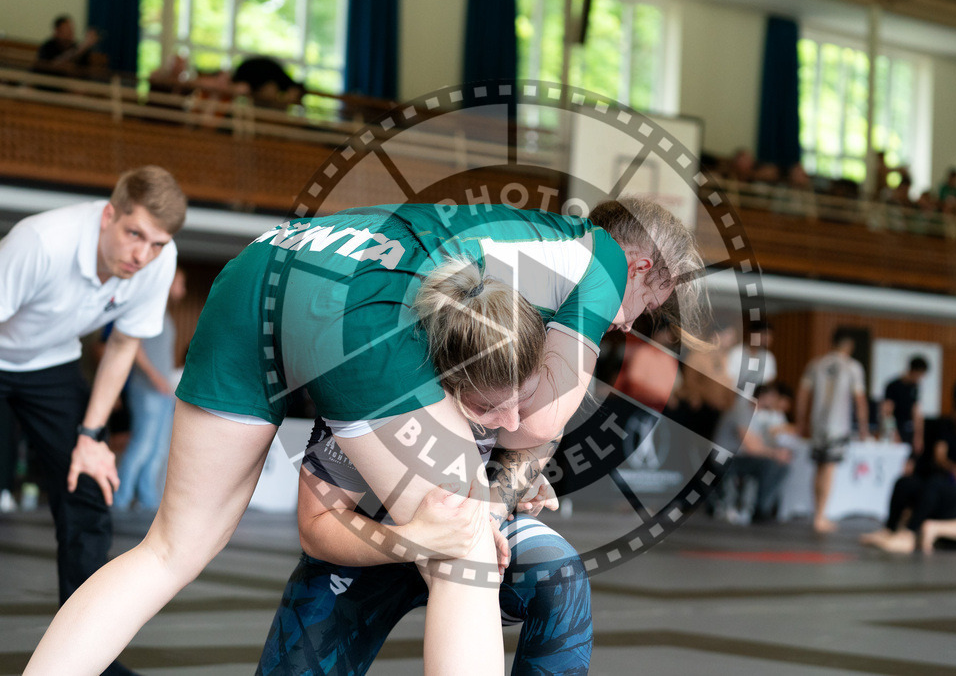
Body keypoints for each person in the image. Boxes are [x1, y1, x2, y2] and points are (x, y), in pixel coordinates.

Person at [26, 197, 707, 675]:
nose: (629, 323)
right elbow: (542, 420)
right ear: (650, 270)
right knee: (465, 543)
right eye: (646, 309)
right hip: (353, 303)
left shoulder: (505, 250)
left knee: (169, 549)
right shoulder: (604, 256)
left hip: (263, 265)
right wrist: (516, 468)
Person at [259, 274, 590, 674]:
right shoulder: (380, 396)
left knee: (560, 574)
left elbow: (540, 435)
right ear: (444, 383)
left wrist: (508, 482)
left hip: (468, 538)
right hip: (371, 547)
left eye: (524, 398)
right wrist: (410, 541)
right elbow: (315, 527)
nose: (512, 420)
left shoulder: (523, 368)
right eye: (487, 408)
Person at [0, 166, 186, 676]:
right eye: (134, 235)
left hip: (51, 367)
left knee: (88, 490)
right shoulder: (40, 242)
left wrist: (88, 437)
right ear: (109, 215)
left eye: (156, 242)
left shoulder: (157, 261)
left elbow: (125, 343)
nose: (141, 255)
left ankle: (85, 655)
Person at [860, 403, 956, 554]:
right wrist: (954, 469)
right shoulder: (945, 428)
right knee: (904, 482)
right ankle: (890, 529)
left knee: (934, 484)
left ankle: (908, 534)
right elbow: (940, 456)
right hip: (940, 480)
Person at [113, 269, 187, 511]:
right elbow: (135, 348)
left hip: (163, 391)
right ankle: (120, 499)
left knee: (157, 450)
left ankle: (147, 500)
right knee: (142, 446)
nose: (183, 289)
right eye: (180, 283)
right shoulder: (150, 310)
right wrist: (156, 377)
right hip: (147, 390)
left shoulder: (163, 314)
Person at [795, 329, 869, 534]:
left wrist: (801, 420)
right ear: (849, 346)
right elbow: (860, 400)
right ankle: (820, 516)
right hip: (838, 426)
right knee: (829, 468)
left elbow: (802, 395)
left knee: (819, 466)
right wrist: (863, 427)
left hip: (817, 423)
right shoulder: (853, 367)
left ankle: (817, 512)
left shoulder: (816, 364)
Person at [714, 384, 792, 525]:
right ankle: (759, 509)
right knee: (770, 465)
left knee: (781, 466)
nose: (775, 401)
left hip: (738, 458)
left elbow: (758, 444)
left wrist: (776, 453)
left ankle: (763, 508)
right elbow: (751, 446)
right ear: (764, 397)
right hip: (724, 459)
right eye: (773, 398)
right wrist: (775, 454)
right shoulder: (742, 411)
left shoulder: (754, 414)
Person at [881, 356, 929, 453]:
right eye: (920, 375)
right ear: (915, 371)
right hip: (896, 429)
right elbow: (887, 411)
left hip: (908, 430)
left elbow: (916, 412)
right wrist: (893, 432)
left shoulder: (915, 387)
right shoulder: (893, 386)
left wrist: (918, 436)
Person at [34, 15, 100, 77]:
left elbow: (84, 72)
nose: (71, 32)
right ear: (57, 31)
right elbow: (51, 67)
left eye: (72, 29)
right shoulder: (47, 46)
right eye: (67, 29)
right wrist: (81, 48)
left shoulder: (78, 47)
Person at [726, 320, 776, 388]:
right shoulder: (736, 353)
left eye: (770, 335)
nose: (768, 338)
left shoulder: (768, 357)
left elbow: (768, 383)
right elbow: (729, 381)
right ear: (752, 334)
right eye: (764, 334)